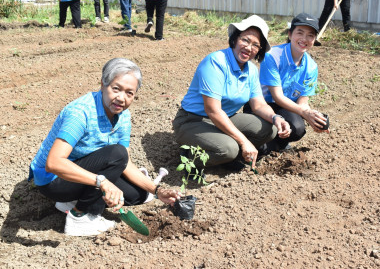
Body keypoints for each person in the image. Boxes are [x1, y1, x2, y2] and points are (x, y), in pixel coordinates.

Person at [28, 58, 181, 237]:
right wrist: (102, 182)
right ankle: (81, 216)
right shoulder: (81, 112)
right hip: (54, 181)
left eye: (129, 93)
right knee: (117, 153)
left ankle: (74, 199)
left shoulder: (122, 116)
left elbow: (126, 163)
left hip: (83, 169)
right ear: (102, 85)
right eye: (116, 89)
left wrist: (157, 191)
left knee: (135, 195)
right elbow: (54, 163)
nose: (121, 98)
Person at [172, 15, 291, 171]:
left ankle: (223, 150)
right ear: (235, 39)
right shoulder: (216, 62)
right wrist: (243, 142)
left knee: (270, 129)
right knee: (229, 149)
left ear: (259, 50)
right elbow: (212, 110)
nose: (249, 48)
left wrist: (276, 117)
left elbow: (259, 105)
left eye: (256, 45)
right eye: (245, 40)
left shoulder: (252, 71)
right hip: (194, 120)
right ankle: (188, 155)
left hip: (226, 117)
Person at [248, 13, 329, 155]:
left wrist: (313, 117)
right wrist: (304, 113)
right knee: (263, 142)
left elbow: (303, 102)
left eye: (310, 35)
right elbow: (277, 97)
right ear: (290, 34)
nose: (304, 39)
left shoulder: (311, 67)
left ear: (315, 39)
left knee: (298, 129)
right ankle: (264, 145)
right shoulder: (273, 55)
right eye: (300, 33)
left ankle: (276, 145)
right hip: (261, 105)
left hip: (285, 107)